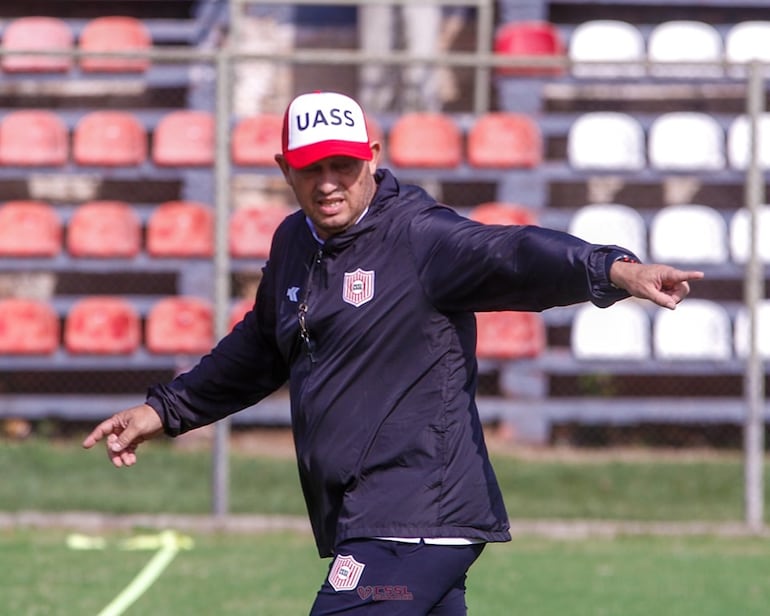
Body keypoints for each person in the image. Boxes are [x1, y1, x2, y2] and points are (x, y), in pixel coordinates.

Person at [83, 91, 704, 615]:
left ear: (372, 159)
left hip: (414, 516)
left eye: (342, 166)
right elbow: (259, 348)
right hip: (374, 518)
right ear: (284, 169)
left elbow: (512, 253)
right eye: (310, 169)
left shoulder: (419, 236)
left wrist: (612, 269)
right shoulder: (295, 240)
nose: (327, 184)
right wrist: (164, 411)